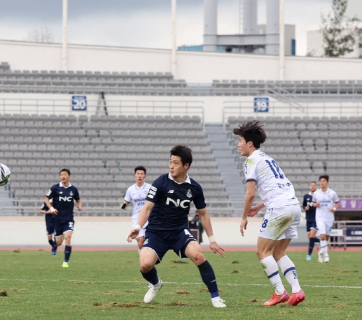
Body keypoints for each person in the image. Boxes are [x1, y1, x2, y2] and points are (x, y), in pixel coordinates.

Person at [127, 145, 227, 308]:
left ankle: (215, 297)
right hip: (156, 233)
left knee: (199, 256)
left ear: (185, 166)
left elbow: (203, 213)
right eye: (170, 162)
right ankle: (156, 283)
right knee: (145, 265)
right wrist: (138, 227)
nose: (171, 166)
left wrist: (212, 240)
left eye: (175, 163)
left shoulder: (194, 188)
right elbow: (147, 208)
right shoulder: (160, 182)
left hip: (179, 232)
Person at [236, 121, 305, 307]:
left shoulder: (250, 160)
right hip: (293, 206)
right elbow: (277, 186)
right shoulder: (267, 158)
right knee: (279, 252)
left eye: (240, 140)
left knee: (262, 251)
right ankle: (296, 290)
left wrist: (243, 217)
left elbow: (250, 193)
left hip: (279, 208)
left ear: (250, 143)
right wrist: (260, 206)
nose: (238, 144)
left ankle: (280, 292)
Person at [45, 169, 82, 267]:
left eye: (65, 174)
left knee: (68, 238)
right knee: (59, 242)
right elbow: (46, 199)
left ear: (69, 176)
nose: (63, 176)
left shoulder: (73, 189)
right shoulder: (55, 188)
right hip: (57, 219)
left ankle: (65, 262)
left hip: (68, 218)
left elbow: (78, 200)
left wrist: (79, 205)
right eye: (61, 175)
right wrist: (51, 208)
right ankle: (55, 243)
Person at [121, 166, 152, 250]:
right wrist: (123, 206)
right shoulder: (131, 189)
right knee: (140, 241)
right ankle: (143, 258)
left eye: (141, 174)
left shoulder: (150, 188)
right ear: (135, 175)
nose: (139, 176)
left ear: (144, 176)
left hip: (148, 217)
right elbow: (126, 202)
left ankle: (148, 258)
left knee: (148, 240)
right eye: (138, 174)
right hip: (136, 218)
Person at [311, 175, 340, 263]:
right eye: (321, 181)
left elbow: (337, 202)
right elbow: (313, 203)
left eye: (324, 181)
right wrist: (315, 205)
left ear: (327, 182)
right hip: (319, 217)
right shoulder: (316, 193)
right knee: (322, 236)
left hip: (329, 217)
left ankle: (321, 252)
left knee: (326, 238)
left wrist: (334, 208)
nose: (322, 183)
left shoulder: (332, 193)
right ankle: (326, 255)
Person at [303, 181, 318, 260]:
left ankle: (309, 255)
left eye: (314, 185)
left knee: (312, 235)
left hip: (316, 219)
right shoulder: (306, 196)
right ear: (310, 186)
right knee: (310, 237)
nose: (312, 187)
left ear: (316, 187)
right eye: (311, 185)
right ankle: (321, 241)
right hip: (308, 218)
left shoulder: (318, 195)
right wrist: (305, 208)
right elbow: (303, 205)